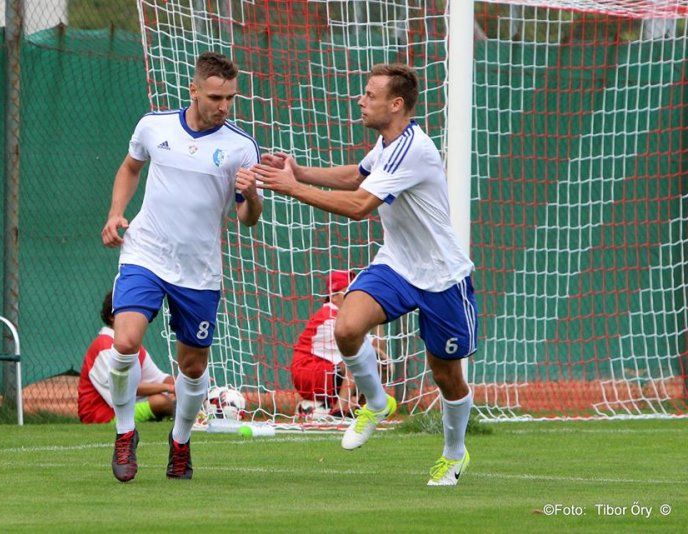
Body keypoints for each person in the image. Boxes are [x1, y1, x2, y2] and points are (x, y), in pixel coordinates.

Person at [246, 63, 478, 486]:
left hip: (442, 276)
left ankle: (454, 452)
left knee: (447, 375)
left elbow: (359, 205)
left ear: (397, 104)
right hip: (397, 264)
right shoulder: (387, 143)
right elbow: (357, 176)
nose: (360, 100)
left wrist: (291, 187)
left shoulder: (413, 149)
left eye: (370, 94)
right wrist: (299, 171)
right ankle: (375, 401)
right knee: (347, 327)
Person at [101, 51, 263, 482]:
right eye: (215, 97)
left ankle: (180, 440)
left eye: (230, 98)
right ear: (194, 90)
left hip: (198, 270)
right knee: (124, 343)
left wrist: (252, 195)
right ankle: (124, 433)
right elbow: (130, 168)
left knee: (192, 367)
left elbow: (248, 218)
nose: (224, 106)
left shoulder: (241, 147)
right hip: (145, 254)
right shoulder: (154, 126)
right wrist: (115, 214)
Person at [291, 270, 387, 417]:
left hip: (328, 372)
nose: (356, 298)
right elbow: (364, 349)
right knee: (357, 357)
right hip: (309, 373)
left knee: (382, 364)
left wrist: (376, 311)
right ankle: (339, 410)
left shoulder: (347, 317)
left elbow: (378, 348)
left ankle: (365, 410)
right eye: (350, 292)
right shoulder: (329, 316)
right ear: (334, 296)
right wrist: (376, 352)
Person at [78, 292, 175, 425]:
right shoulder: (103, 346)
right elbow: (122, 390)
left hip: (125, 407)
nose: (136, 317)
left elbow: (159, 378)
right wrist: (168, 388)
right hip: (101, 416)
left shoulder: (135, 347)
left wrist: (185, 384)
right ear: (112, 317)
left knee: (175, 397)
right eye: (130, 312)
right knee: (161, 402)